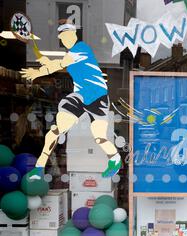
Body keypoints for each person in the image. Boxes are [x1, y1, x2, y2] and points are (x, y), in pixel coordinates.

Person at [20, 20, 121, 180]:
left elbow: (60, 64)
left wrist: (38, 72)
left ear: (74, 34)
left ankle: (115, 160)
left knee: (100, 137)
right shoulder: (71, 54)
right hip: (79, 97)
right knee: (55, 132)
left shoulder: (81, 49)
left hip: (98, 96)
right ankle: (39, 168)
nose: (64, 40)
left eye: (66, 35)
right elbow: (62, 64)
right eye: (62, 37)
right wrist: (47, 63)